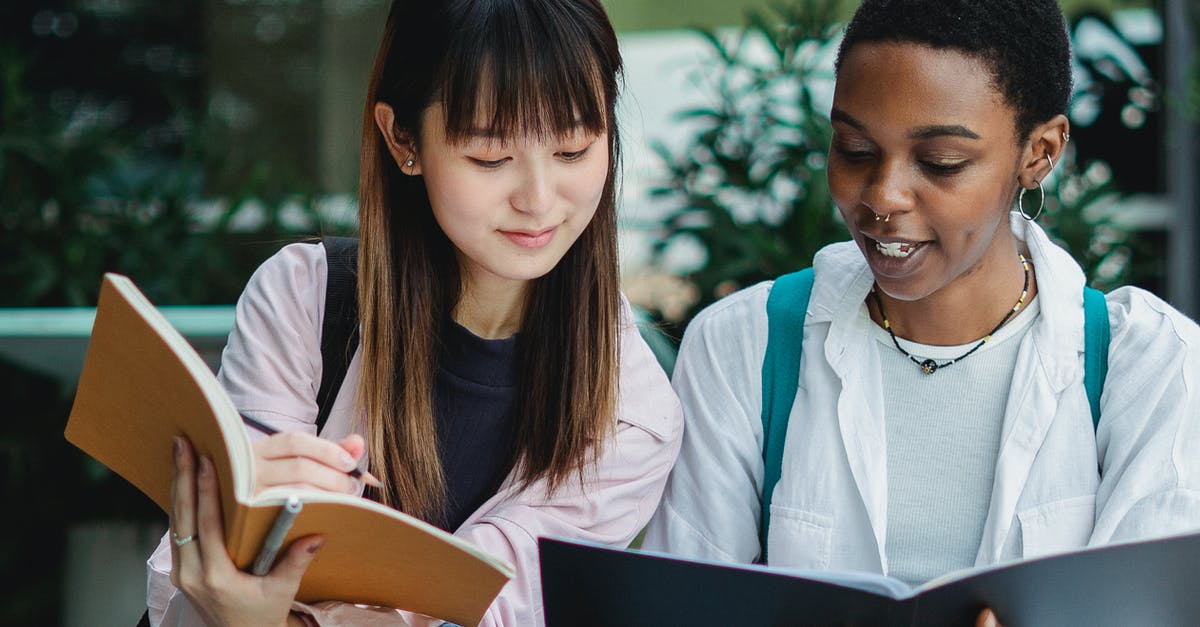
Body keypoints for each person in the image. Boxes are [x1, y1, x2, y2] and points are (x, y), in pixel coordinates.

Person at [642, 0, 1200, 619]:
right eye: (854, 148)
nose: (883, 195)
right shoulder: (745, 347)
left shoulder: (1149, 366)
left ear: (1039, 152)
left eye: (941, 163)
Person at [146, 1, 683, 625]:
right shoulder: (307, 298)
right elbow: (209, 580)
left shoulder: (627, 413)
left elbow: (468, 612)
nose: (539, 200)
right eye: (489, 157)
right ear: (403, 138)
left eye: (572, 150)